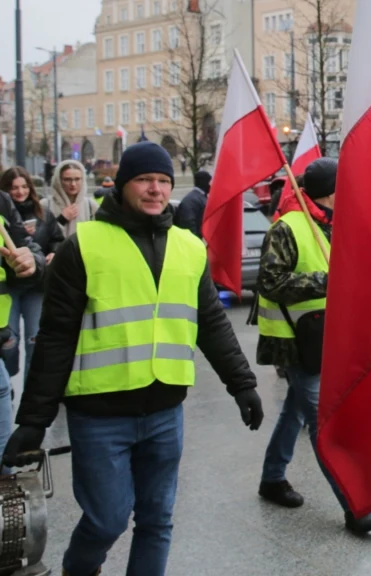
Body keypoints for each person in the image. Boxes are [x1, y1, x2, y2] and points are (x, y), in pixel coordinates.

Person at [2, 141, 264, 576]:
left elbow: (213, 325)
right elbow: (55, 340)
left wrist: (244, 384)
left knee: (157, 521)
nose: (155, 189)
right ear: (123, 185)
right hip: (100, 416)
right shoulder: (85, 244)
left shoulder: (188, 246)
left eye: (163, 180)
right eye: (144, 179)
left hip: (165, 412)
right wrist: (34, 421)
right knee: (107, 520)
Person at [255, 157, 371, 534]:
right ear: (331, 192)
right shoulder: (288, 227)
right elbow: (270, 282)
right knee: (323, 422)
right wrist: (328, 280)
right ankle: (354, 505)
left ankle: (271, 478)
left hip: (328, 337)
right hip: (294, 342)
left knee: (294, 412)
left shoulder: (336, 225)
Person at [0, 167, 64, 381]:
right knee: (10, 342)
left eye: (24, 186)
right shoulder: (6, 208)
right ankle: (8, 378)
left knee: (34, 339)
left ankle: (29, 388)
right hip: (10, 285)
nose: (19, 192)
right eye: (14, 187)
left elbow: (53, 239)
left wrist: (44, 258)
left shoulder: (42, 212)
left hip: (35, 285)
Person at [43, 159, 98, 239]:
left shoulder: (91, 206)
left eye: (77, 179)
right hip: (55, 251)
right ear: (58, 180)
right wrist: (61, 220)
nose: (73, 184)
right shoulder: (45, 205)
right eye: (67, 179)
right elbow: (39, 237)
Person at [172, 169, 212, 238]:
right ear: (205, 183)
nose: (211, 185)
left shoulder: (197, 197)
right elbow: (188, 225)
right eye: (209, 182)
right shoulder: (192, 200)